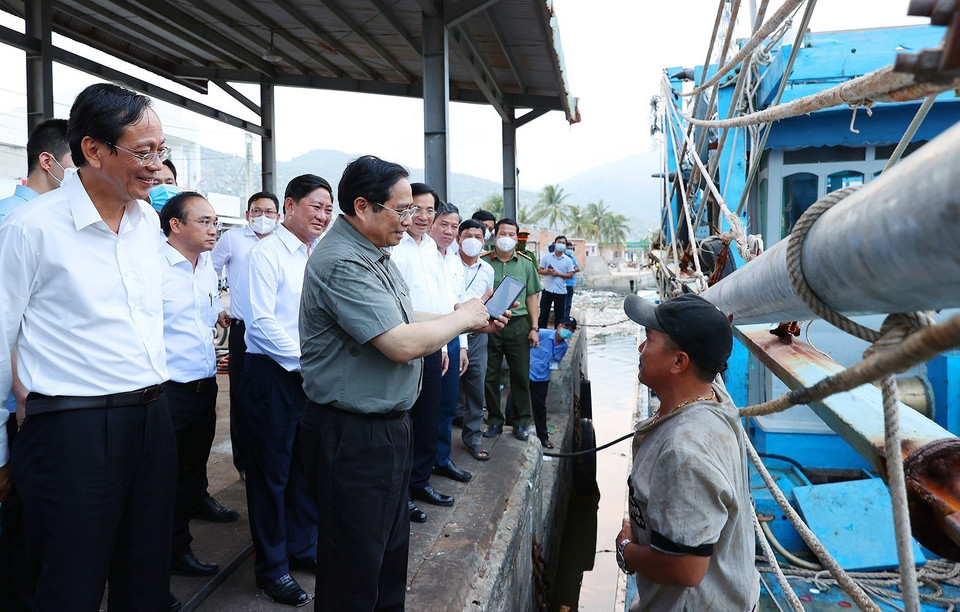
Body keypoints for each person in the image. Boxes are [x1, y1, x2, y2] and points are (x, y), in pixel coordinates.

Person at [298, 155, 507, 611]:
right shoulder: (341, 261)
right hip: (352, 434)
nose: (411, 220)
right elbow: (399, 342)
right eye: (401, 210)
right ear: (362, 206)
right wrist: (461, 318)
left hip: (386, 427)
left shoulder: (376, 253)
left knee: (387, 556)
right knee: (354, 567)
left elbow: (405, 316)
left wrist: (469, 320)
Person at [0, 82, 175, 611]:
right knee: (68, 583)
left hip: (152, 418)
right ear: (93, 150)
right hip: (72, 430)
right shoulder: (32, 228)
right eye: (142, 153)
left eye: (161, 152)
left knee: (145, 578)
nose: (157, 168)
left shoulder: (147, 225)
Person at [617, 293, 760, 611]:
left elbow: (686, 568)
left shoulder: (683, 451)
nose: (641, 349)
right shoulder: (714, 395)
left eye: (649, 339)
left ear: (679, 362)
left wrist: (627, 550)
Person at [236, 174, 332, 606]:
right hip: (274, 375)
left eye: (329, 208)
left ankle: (303, 547)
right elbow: (261, 324)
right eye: (316, 206)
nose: (323, 215)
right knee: (270, 475)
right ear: (289, 206)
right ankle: (272, 567)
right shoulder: (266, 254)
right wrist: (310, 362)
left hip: (308, 376)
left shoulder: (318, 255)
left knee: (303, 468)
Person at [0, 116, 74, 612]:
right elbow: (7, 322)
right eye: (78, 165)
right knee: (23, 526)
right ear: (47, 162)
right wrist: (20, 400)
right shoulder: (19, 223)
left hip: (39, 400)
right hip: (21, 402)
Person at [158, 191, 231, 578]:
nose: (213, 229)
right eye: (204, 221)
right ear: (175, 225)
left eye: (215, 222)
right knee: (160, 483)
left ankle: (178, 551)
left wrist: (218, 315)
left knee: (190, 476)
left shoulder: (205, 267)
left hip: (204, 387)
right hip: (167, 392)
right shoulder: (154, 266)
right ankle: (152, 566)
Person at [391, 183, 459, 522]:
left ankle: (420, 482)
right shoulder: (394, 247)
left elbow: (440, 301)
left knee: (428, 417)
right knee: (406, 422)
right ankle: (400, 494)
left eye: (430, 210)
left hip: (433, 344)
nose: (423, 215)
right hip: (405, 343)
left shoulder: (431, 248)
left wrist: (444, 344)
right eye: (416, 208)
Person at [210, 190, 279, 484]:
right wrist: (215, 307)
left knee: (276, 396)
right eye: (256, 211)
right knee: (241, 397)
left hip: (279, 332)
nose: (262, 217)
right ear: (248, 213)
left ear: (279, 215)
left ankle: (273, 456)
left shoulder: (284, 242)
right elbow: (207, 270)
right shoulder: (233, 239)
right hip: (242, 330)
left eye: (268, 212)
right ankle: (244, 461)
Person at [482, 218, 542, 441]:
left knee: (520, 375)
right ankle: (495, 421)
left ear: (517, 239)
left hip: (518, 325)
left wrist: (534, 328)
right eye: (503, 233)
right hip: (489, 324)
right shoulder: (484, 262)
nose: (507, 238)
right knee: (490, 375)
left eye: (511, 235)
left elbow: (532, 298)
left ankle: (520, 422)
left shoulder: (526, 264)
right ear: (495, 236)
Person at [428, 201, 473, 486]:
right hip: (431, 338)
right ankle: (422, 465)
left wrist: (464, 344)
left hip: (454, 340)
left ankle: (441, 459)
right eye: (443, 224)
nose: (448, 231)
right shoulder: (423, 257)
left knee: (447, 405)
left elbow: (460, 306)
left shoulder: (455, 261)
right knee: (426, 408)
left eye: (454, 226)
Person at [454, 219, 495, 461]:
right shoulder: (447, 265)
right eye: (468, 235)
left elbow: (487, 300)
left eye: (478, 237)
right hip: (449, 331)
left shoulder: (487, 270)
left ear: (484, 241)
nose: (473, 241)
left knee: (476, 388)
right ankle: (440, 444)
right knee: (448, 388)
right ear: (458, 239)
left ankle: (473, 437)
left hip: (477, 335)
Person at [528, 316, 577, 449]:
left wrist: (547, 368)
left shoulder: (563, 347)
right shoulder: (543, 334)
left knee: (540, 408)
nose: (567, 331)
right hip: (527, 373)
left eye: (571, 330)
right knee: (515, 400)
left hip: (542, 378)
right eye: (566, 327)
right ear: (559, 326)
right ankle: (511, 427)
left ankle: (543, 437)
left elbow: (556, 362)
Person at [538, 235, 575, 329]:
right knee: (543, 314)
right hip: (547, 289)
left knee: (559, 316)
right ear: (554, 244)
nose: (561, 245)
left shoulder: (568, 260)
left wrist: (558, 274)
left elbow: (570, 274)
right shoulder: (547, 257)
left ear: (565, 246)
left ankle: (557, 336)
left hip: (561, 291)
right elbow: (539, 270)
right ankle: (541, 334)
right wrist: (548, 272)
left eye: (563, 243)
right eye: (559, 242)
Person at [562, 248, 580, 320]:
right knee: (563, 303)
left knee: (568, 304)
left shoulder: (572, 258)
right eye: (568, 248)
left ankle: (566, 318)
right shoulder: (563, 258)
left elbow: (578, 268)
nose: (570, 250)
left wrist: (571, 271)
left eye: (571, 248)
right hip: (563, 284)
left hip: (571, 284)